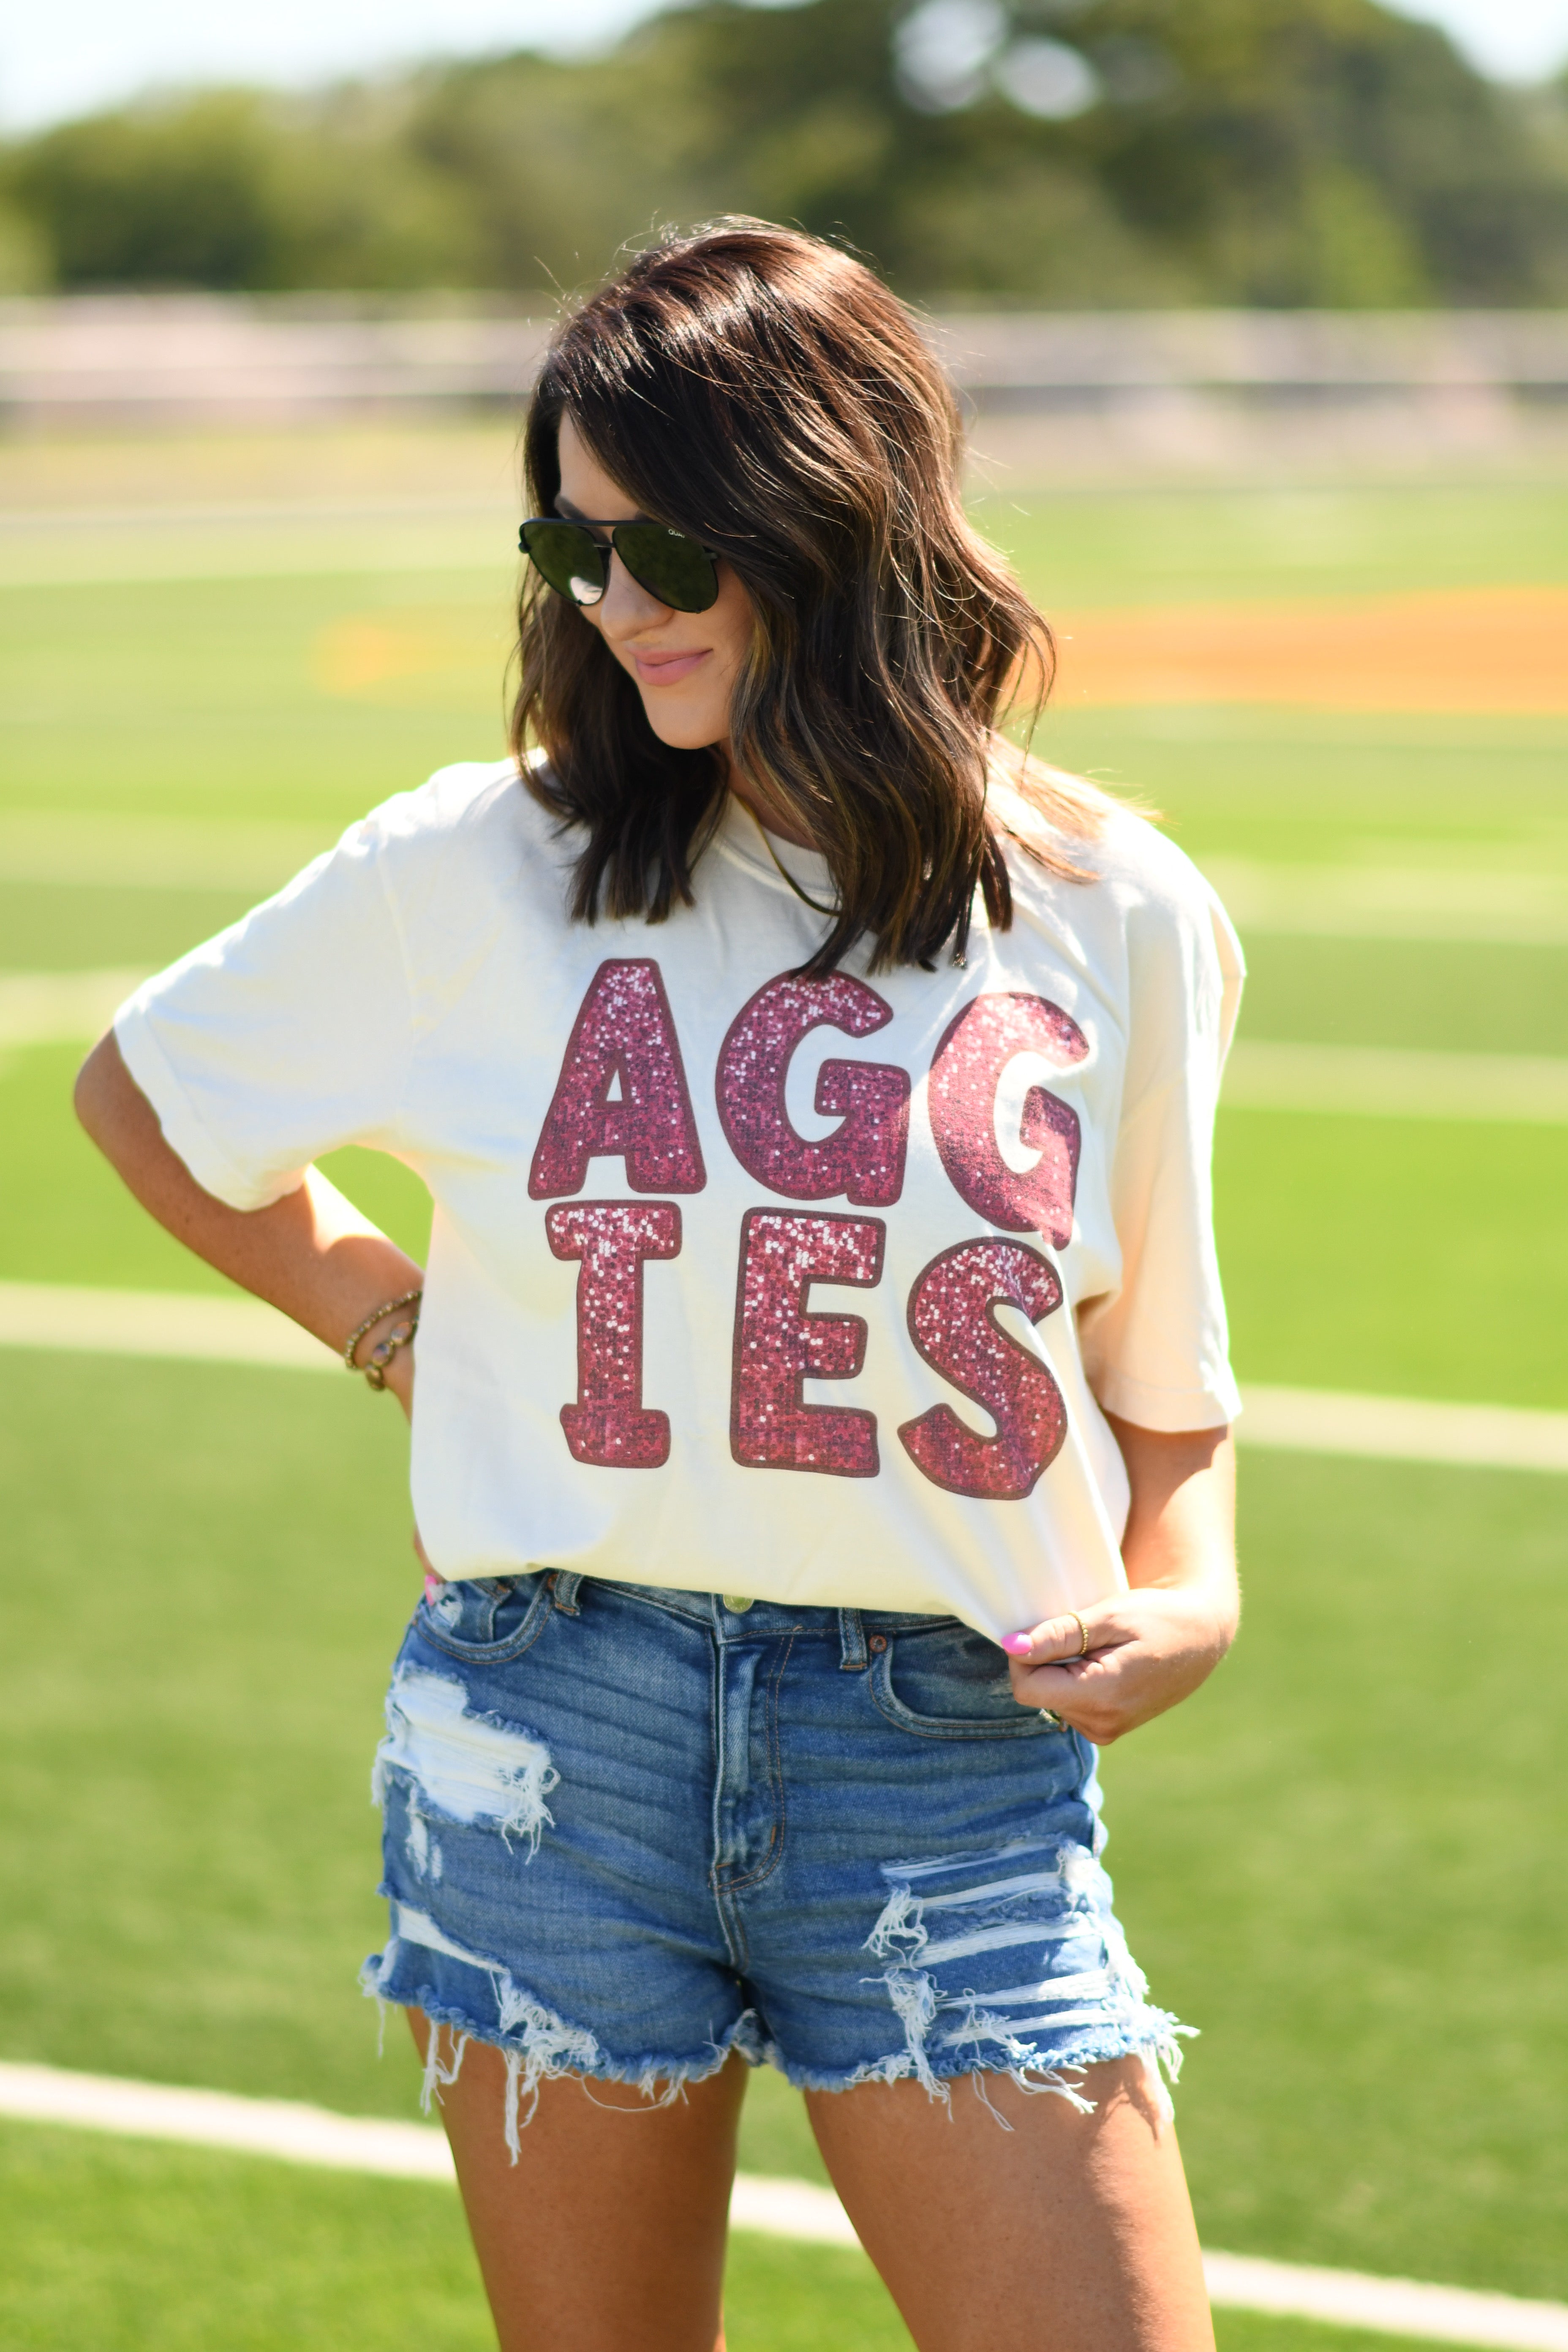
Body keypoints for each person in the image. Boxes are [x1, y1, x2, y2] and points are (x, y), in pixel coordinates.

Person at [76, 220, 1242, 2352]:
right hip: (547, 1733)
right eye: (568, 545)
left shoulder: (1117, 912)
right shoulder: (474, 865)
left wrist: (1194, 1588)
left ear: (836, 513)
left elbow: (1161, 1373)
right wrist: (394, 1328)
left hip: (940, 1754)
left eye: (665, 549)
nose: (611, 604)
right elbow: (145, 1096)